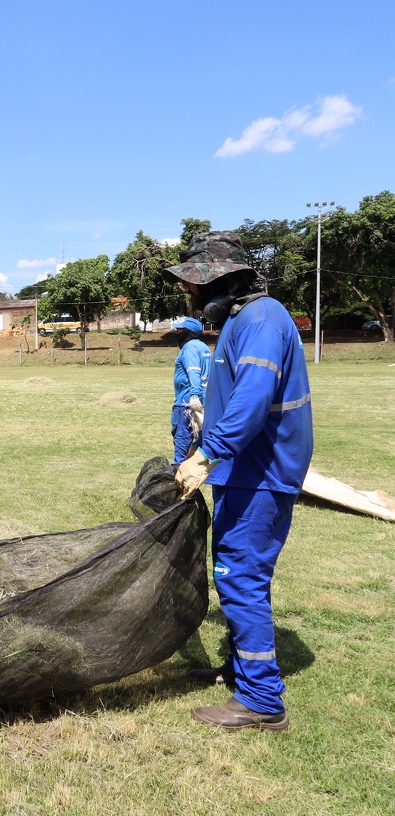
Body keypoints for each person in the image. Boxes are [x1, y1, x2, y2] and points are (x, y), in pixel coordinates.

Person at [165, 231, 313, 732]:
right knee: (236, 575)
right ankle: (241, 669)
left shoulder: (263, 320)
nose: (190, 294)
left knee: (241, 578)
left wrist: (205, 456)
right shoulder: (242, 319)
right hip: (243, 472)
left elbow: (252, 402)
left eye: (195, 284)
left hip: (261, 474)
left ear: (223, 280)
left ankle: (262, 700)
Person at [170, 316, 212, 464]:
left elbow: (193, 371)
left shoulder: (190, 348)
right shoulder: (204, 347)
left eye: (179, 330)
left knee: (181, 445)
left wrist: (194, 396)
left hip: (186, 404)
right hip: (203, 402)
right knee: (202, 441)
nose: (177, 333)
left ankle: (179, 477)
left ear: (188, 332)